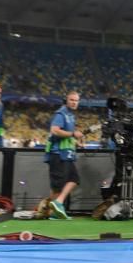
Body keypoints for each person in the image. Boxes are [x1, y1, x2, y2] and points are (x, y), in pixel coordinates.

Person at [45, 91, 84, 220]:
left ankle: (57, 204)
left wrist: (76, 143)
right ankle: (51, 210)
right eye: (71, 100)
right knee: (57, 187)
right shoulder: (61, 113)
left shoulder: (70, 116)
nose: (74, 102)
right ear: (66, 100)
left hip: (66, 155)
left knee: (74, 180)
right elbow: (55, 130)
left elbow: (66, 136)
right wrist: (73, 135)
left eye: (76, 100)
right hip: (58, 155)